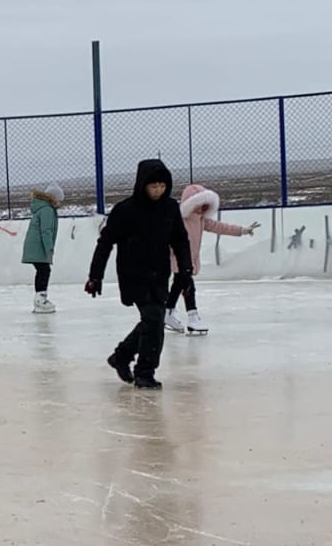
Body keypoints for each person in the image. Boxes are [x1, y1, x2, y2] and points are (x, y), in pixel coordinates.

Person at [85, 159, 192, 390]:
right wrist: (95, 276)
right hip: (133, 273)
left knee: (153, 318)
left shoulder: (170, 208)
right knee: (154, 318)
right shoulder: (125, 210)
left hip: (159, 273)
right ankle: (144, 372)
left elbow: (180, 240)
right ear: (142, 184)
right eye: (153, 186)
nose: (158, 190)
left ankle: (122, 356)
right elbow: (105, 243)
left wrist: (185, 269)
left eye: (162, 186)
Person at [166, 184, 259, 335]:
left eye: (205, 205)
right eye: (198, 204)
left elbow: (220, 227)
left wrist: (242, 230)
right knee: (188, 286)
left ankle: (168, 312)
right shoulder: (180, 220)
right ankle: (193, 316)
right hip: (179, 259)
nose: (201, 208)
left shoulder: (202, 220)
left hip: (190, 259)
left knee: (178, 285)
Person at [21, 183, 65, 313]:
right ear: (53, 197)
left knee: (43, 270)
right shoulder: (47, 210)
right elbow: (46, 231)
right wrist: (49, 248)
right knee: (44, 270)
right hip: (38, 246)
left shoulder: (43, 208)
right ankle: (40, 299)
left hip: (36, 245)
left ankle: (40, 298)